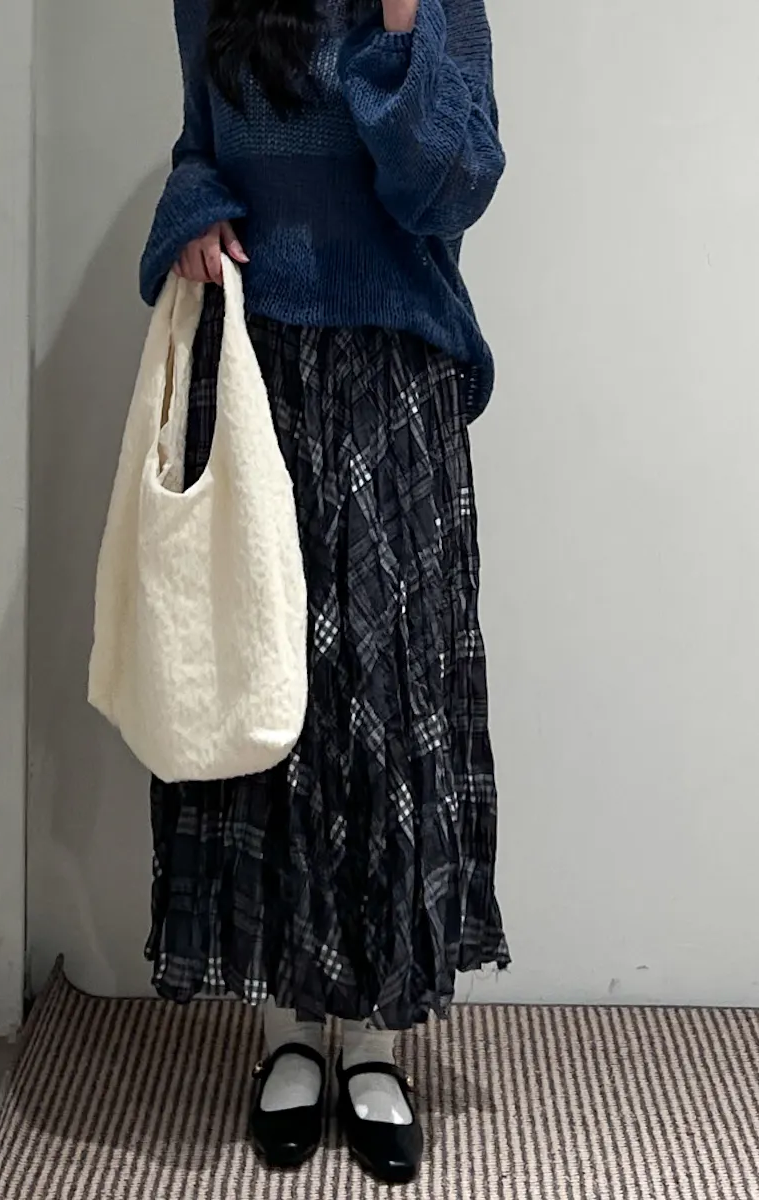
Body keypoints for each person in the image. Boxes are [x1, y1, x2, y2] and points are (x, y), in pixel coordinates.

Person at [139, 0, 509, 1183]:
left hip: (393, 381)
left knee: (386, 716)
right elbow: (199, 145)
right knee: (261, 696)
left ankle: (377, 1043)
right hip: (257, 377)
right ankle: (287, 1034)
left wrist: (400, 24)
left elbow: (449, 188)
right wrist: (194, 214)